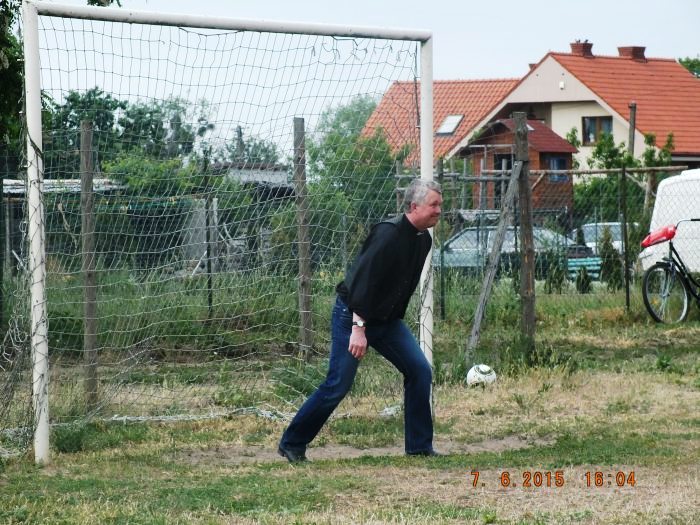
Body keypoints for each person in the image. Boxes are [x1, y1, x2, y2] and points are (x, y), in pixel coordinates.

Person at [278, 178, 443, 462]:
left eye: (440, 204)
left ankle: (419, 447)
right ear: (414, 206)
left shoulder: (423, 240)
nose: (439, 210)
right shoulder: (388, 234)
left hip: (386, 321)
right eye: (434, 204)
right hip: (354, 316)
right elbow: (362, 283)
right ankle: (292, 443)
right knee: (338, 384)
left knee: (419, 370)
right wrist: (358, 328)